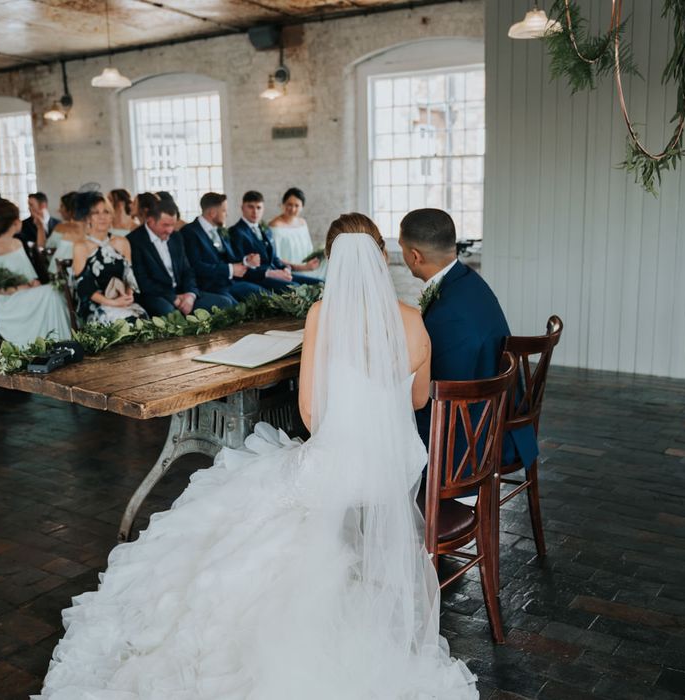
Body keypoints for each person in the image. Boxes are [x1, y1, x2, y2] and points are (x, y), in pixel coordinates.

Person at [34, 213, 477, 699]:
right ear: (379, 256)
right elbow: (417, 400)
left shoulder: (322, 315)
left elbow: (310, 414)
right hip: (392, 469)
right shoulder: (414, 320)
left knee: (241, 494)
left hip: (341, 469)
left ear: (332, 260)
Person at [398, 208, 538, 470]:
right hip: (503, 416)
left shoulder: (447, 313)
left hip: (475, 442)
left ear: (415, 256)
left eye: (402, 248)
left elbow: (435, 393)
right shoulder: (467, 281)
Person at [0, 200, 71, 346]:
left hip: (26, 293)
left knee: (54, 291)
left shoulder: (17, 242)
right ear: (14, 222)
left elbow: (29, 275)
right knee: (50, 293)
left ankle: (60, 342)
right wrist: (20, 288)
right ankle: (59, 343)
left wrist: (33, 282)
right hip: (7, 302)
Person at [128, 196, 233, 316]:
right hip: (155, 295)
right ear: (150, 221)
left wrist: (190, 295)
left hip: (183, 293)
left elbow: (187, 270)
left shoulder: (176, 237)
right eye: (166, 225)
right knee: (171, 314)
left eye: (173, 225)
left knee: (224, 302)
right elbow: (143, 281)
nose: (170, 230)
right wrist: (174, 299)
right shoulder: (134, 241)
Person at [73, 191, 146, 324]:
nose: (102, 217)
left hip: (122, 302)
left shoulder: (122, 242)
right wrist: (112, 303)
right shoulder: (81, 247)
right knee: (128, 321)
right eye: (96, 213)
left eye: (106, 212)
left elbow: (129, 276)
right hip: (94, 306)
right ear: (88, 218)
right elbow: (84, 288)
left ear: (111, 216)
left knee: (142, 318)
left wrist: (128, 296)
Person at [228, 190, 321, 291]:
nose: (255, 212)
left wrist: (285, 269)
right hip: (259, 277)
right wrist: (270, 273)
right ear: (242, 208)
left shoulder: (265, 228)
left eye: (258, 207)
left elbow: (274, 257)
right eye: (250, 207)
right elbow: (238, 264)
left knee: (320, 283)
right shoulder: (235, 232)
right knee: (296, 288)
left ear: (263, 209)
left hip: (277, 272)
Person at [181, 192, 264, 302]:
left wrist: (246, 261)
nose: (227, 215)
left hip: (229, 283)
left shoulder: (220, 230)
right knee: (237, 308)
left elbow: (229, 258)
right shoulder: (189, 232)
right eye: (224, 211)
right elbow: (195, 267)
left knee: (264, 295)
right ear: (212, 213)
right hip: (208, 286)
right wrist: (229, 270)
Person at [268, 187, 325, 279]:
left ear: (302, 207)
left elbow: (308, 250)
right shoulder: (275, 226)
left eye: (297, 205)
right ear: (283, 205)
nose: (293, 209)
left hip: (308, 267)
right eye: (289, 205)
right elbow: (275, 258)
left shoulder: (302, 223)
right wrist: (303, 267)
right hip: (290, 271)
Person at [45, 192, 84, 275]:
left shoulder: (60, 228)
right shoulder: (90, 229)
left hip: (62, 272)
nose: (59, 210)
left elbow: (48, 249)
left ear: (70, 210)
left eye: (62, 206)